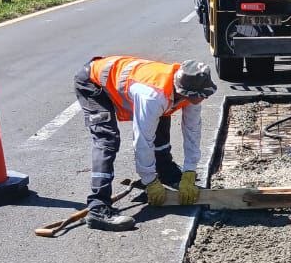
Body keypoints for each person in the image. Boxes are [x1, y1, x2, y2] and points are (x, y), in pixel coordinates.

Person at [74, 57, 217, 230]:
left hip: (144, 89)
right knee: (107, 139)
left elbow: (192, 130)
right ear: (183, 90)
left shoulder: (192, 89)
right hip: (94, 83)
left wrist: (190, 171)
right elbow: (142, 140)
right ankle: (98, 207)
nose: (200, 100)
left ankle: (167, 174)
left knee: (162, 118)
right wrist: (149, 180)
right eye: (197, 96)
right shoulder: (152, 96)